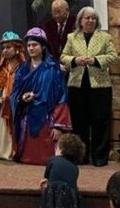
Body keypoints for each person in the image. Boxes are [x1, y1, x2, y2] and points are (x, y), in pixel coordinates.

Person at [60, 6, 118, 166]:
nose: (91, 20)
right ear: (80, 20)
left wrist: (96, 60)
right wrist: (74, 60)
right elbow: (63, 57)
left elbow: (114, 57)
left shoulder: (105, 37)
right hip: (77, 86)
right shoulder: (72, 37)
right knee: (79, 122)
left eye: (93, 18)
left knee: (101, 122)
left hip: (100, 86)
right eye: (87, 18)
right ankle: (81, 156)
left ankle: (99, 158)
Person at [11, 27, 72, 165]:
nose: (31, 48)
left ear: (43, 46)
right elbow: (14, 94)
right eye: (29, 45)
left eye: (35, 45)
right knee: (27, 160)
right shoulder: (22, 70)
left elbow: (61, 97)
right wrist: (22, 98)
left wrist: (58, 126)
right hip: (27, 117)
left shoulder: (53, 69)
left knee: (47, 160)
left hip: (47, 119)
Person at [0, 31, 26, 160]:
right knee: (1, 129)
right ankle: (1, 151)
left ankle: (13, 152)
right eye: (3, 48)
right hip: (1, 106)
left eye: (8, 47)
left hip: (17, 105)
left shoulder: (24, 68)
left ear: (17, 49)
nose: (5, 51)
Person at [39, 133, 85, 208]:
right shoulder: (75, 168)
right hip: (70, 197)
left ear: (61, 149)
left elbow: (46, 177)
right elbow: (73, 184)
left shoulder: (53, 160)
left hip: (53, 195)